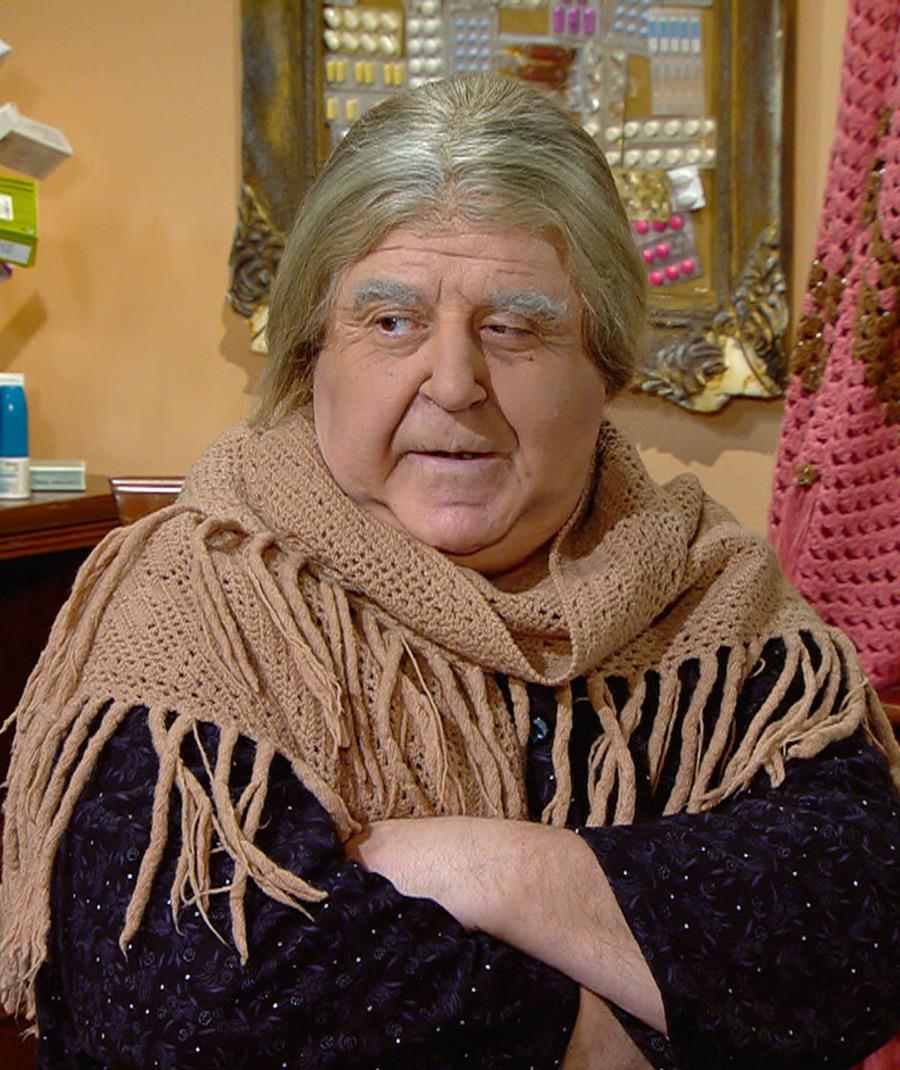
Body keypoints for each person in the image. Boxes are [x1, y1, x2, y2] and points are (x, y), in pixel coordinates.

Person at [1, 75, 898, 1070]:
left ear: (603, 365)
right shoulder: (196, 598)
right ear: (311, 356)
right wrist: (607, 1034)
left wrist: (488, 866)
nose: (455, 382)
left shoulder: (707, 590)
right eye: (391, 322)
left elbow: (861, 918)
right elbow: (188, 1008)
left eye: (514, 326)